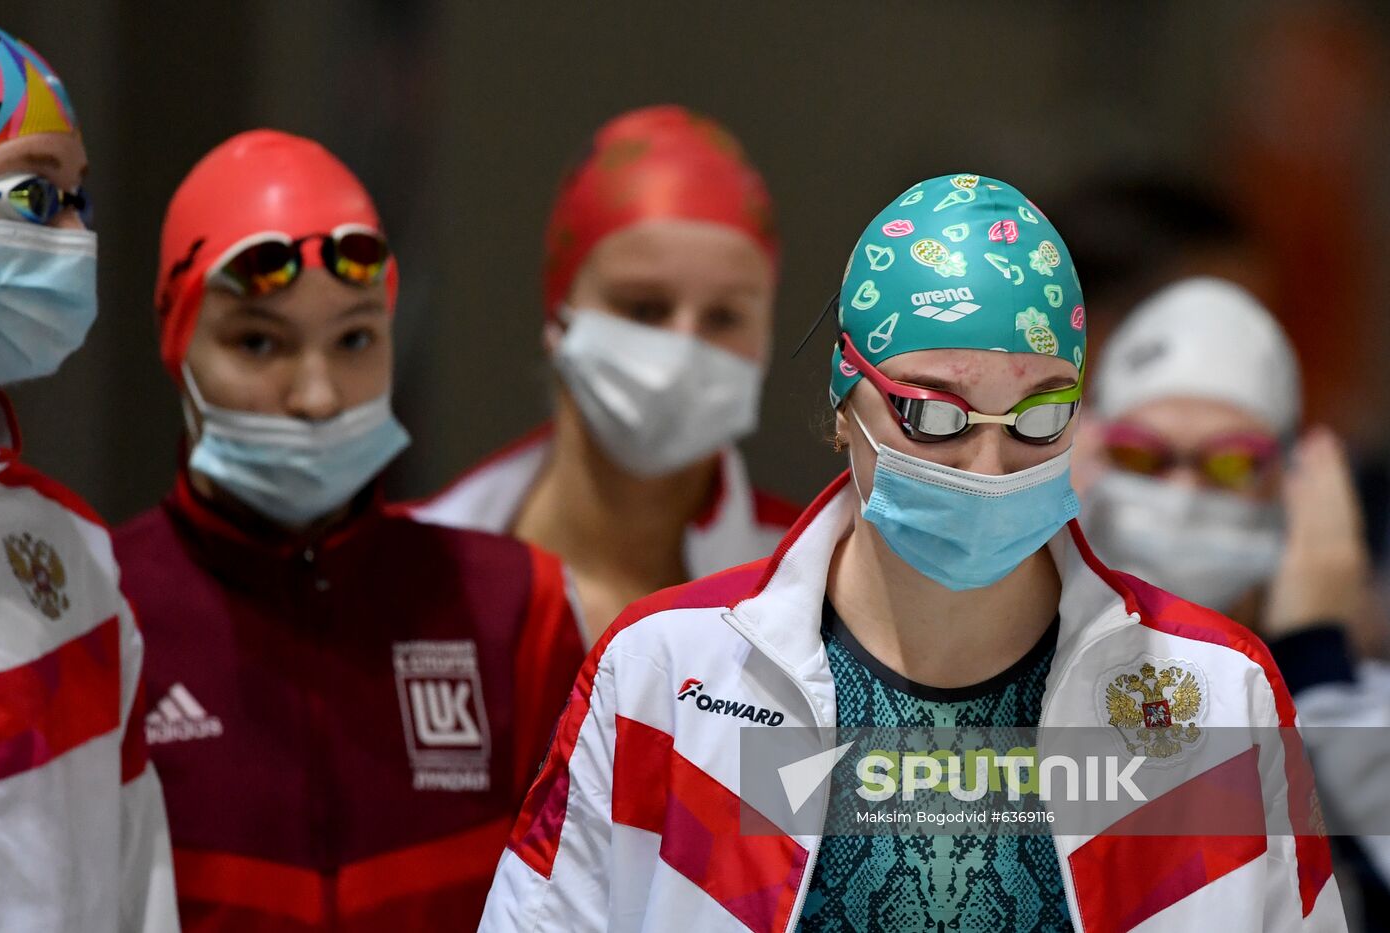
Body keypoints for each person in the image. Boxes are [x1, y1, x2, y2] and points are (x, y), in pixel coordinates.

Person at [479, 176, 1345, 931]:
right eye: (934, 414)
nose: (989, 464)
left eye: (1040, 416)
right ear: (842, 403)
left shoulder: (1217, 700)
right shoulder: (664, 682)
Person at [112, 129, 584, 931]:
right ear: (176, 342)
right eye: (259, 340)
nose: (319, 395)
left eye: (356, 338)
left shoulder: (511, 610)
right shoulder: (101, 611)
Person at [405, 105, 798, 639]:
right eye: (643, 309)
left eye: (725, 317)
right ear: (558, 316)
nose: (682, 353)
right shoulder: (417, 574)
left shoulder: (822, 586)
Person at [1082, 276, 1389, 928]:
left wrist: (1316, 660)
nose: (1185, 492)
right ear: (1087, 457)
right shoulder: (1018, 682)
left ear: (1296, 486)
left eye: (1229, 464)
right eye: (1142, 454)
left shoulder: (1358, 713)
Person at [0, 25, 179, 931]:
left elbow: (134, 880)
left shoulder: (75, 555)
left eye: (78, 197)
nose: (73, 233)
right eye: (36, 193)